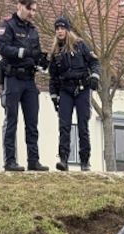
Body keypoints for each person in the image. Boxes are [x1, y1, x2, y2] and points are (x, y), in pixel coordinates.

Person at [0, 0, 48, 171]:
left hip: (29, 80)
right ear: (19, 5)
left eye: (34, 10)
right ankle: (10, 161)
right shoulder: (8, 25)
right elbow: (3, 48)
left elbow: (36, 52)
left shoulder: (33, 30)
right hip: (13, 78)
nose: (32, 13)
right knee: (11, 120)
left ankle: (33, 160)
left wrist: (41, 61)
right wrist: (23, 53)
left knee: (32, 123)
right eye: (29, 9)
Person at [47, 16, 99, 172]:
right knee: (64, 126)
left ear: (67, 30)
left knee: (83, 126)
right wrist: (54, 96)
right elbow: (53, 77)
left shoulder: (80, 45)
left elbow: (95, 62)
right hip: (65, 91)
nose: (60, 31)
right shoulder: (55, 52)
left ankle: (85, 161)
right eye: (57, 29)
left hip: (82, 89)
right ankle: (63, 159)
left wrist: (95, 76)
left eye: (62, 28)